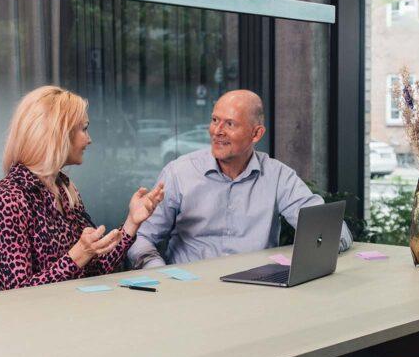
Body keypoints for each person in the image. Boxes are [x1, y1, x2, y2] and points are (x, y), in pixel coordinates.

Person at [127, 90, 352, 268]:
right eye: (215, 120)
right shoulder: (179, 173)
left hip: (256, 290)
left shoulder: (278, 176)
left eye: (230, 124)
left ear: (256, 134)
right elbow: (141, 238)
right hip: (191, 292)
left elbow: (331, 232)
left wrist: (324, 246)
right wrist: (161, 274)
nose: (217, 131)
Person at [0, 86, 165, 293]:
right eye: (83, 128)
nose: (89, 139)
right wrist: (79, 254)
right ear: (58, 134)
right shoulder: (7, 200)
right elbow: (18, 294)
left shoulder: (65, 190)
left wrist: (131, 223)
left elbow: (93, 271)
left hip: (69, 315)